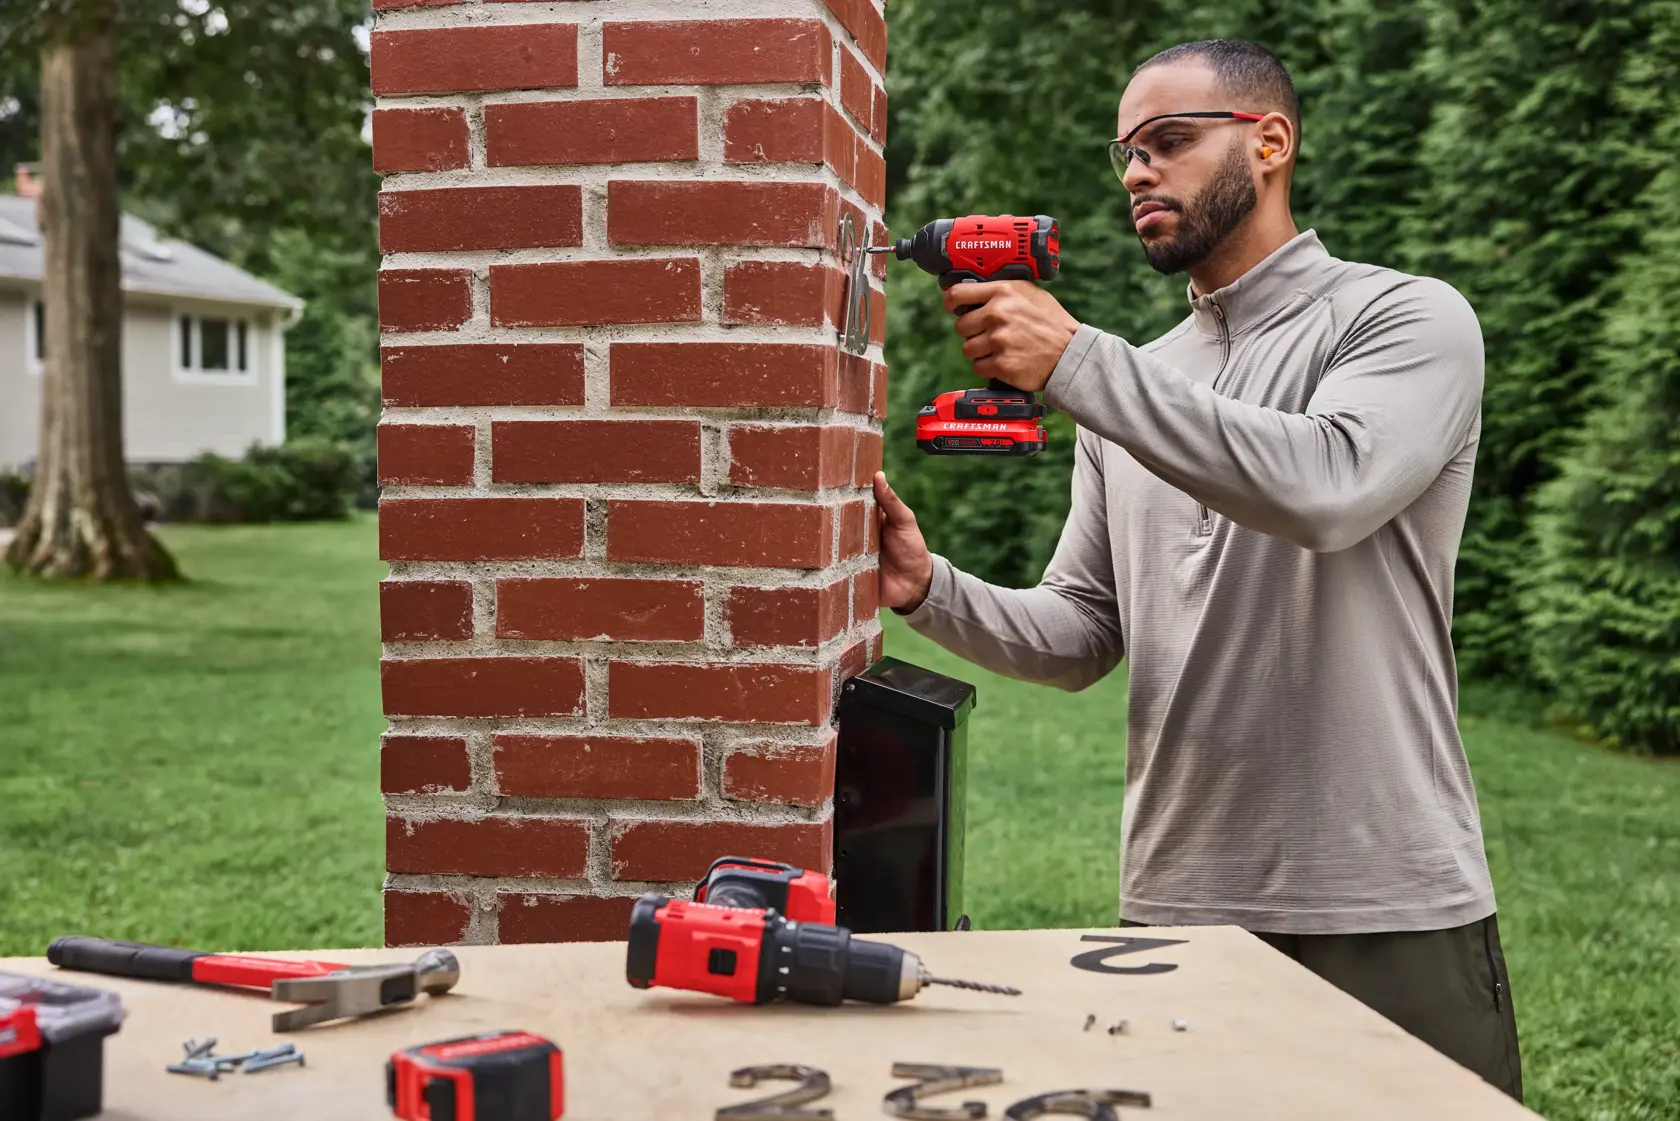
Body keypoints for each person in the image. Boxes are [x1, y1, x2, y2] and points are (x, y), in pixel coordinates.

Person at [871, 38, 1523, 1102]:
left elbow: (1332, 486)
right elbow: (1081, 629)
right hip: (1178, 899)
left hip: (1383, 898)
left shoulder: (1402, 318)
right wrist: (927, 587)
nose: (1137, 173)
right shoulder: (1137, 386)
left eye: (1170, 142)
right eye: (1125, 152)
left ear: (1268, 142)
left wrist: (1083, 363)